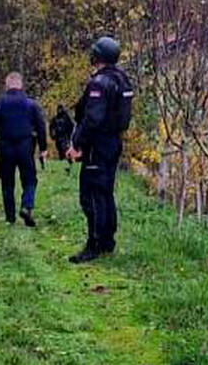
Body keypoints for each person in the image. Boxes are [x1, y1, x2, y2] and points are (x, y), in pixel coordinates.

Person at [66, 37, 134, 263]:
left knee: (92, 195)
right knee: (105, 193)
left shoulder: (100, 83)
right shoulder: (122, 80)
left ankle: (94, 245)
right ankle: (107, 242)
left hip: (98, 144)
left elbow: (92, 119)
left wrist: (77, 145)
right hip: (113, 142)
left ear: (97, 56)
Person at [0, 72, 49, 227]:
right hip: (26, 146)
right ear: (21, 85)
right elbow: (41, 126)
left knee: (7, 182)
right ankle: (26, 206)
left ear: (7, 85)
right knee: (30, 179)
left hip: (6, 147)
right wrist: (43, 148)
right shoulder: (31, 104)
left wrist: (0, 124)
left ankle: (10, 218)